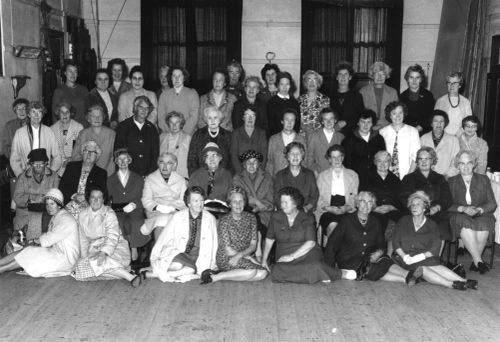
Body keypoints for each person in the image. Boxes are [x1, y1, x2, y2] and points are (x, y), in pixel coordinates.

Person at [325, 191, 422, 285]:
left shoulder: (375, 222)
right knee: (372, 268)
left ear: (373, 206)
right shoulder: (346, 221)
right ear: (357, 204)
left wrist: (378, 253)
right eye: (363, 201)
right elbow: (332, 244)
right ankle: (405, 279)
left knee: (385, 261)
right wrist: (329, 270)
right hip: (349, 261)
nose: (366, 205)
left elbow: (381, 244)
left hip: (368, 258)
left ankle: (409, 275)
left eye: (369, 202)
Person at [392, 191, 477, 290]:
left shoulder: (432, 224)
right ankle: (451, 284)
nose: (414, 207)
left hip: (424, 256)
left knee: (435, 265)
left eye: (418, 205)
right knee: (423, 268)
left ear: (425, 208)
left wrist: (421, 256)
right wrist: (405, 257)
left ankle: (464, 281)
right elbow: (396, 242)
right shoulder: (404, 220)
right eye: (412, 205)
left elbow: (436, 247)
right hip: (406, 258)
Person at [261, 187, 341, 284]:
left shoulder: (307, 217)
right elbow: (269, 239)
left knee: (314, 266)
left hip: (306, 253)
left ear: (295, 203)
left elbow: (311, 243)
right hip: (284, 255)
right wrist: (264, 260)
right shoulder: (276, 217)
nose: (283, 205)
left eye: (286, 202)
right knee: (277, 271)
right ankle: (317, 274)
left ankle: (339, 273)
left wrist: (292, 256)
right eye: (282, 202)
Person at [143, 186, 218, 283]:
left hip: (198, 256)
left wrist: (213, 264)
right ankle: (164, 273)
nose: (200, 204)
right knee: (176, 266)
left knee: (190, 269)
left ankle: (154, 274)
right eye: (196, 201)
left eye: (201, 200)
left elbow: (214, 243)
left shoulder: (210, 219)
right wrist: (155, 256)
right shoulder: (178, 217)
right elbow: (164, 237)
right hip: (180, 252)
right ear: (189, 203)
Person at [0, 188, 79, 277]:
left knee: (29, 253)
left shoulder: (66, 219)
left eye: (52, 204)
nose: (49, 207)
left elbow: (51, 238)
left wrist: (35, 241)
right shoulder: (57, 216)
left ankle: (1, 269)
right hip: (56, 253)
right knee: (27, 250)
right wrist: (34, 242)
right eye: (47, 204)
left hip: (66, 260)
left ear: (59, 205)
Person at [72, 187, 140, 287]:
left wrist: (103, 253)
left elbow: (113, 236)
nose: (95, 200)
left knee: (98, 262)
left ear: (103, 199)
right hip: (94, 248)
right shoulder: (82, 215)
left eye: (99, 197)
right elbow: (83, 239)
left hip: (115, 247)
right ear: (89, 199)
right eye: (93, 197)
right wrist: (84, 257)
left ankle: (130, 277)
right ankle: (123, 272)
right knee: (80, 270)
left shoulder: (109, 213)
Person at [200, 187, 268, 284]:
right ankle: (217, 277)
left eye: (241, 201)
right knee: (252, 271)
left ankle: (230, 274)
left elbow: (253, 245)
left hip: (242, 255)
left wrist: (242, 255)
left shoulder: (251, 218)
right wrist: (247, 257)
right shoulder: (224, 221)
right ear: (229, 204)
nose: (238, 204)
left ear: (244, 202)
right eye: (234, 201)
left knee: (263, 273)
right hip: (227, 257)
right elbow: (228, 250)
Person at [448, 150, 497, 274]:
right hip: (460, 214)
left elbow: (492, 203)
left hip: (481, 214)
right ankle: (478, 262)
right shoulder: (451, 181)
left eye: (469, 163)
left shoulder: (483, 179)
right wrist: (463, 209)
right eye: (462, 163)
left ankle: (476, 261)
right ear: (457, 165)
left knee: (484, 224)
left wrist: (480, 209)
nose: (466, 166)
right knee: (464, 222)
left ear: (474, 164)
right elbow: (447, 204)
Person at [400, 147, 453, 243]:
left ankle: (435, 257)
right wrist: (417, 209)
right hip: (414, 212)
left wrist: (437, 207)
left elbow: (447, 198)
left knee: (441, 226)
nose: (423, 162)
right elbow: (403, 198)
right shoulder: (408, 178)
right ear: (417, 161)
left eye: (427, 159)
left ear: (432, 161)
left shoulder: (440, 178)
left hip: (435, 212)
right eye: (420, 159)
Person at [107, 149, 149, 262]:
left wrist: (135, 205)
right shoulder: (110, 180)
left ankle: (134, 248)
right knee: (118, 223)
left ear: (129, 161)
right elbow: (108, 200)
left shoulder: (138, 178)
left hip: (135, 209)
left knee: (135, 222)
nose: (123, 162)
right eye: (119, 159)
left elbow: (144, 197)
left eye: (125, 159)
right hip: (119, 210)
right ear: (116, 162)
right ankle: (121, 251)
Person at [359, 151, 403, 253]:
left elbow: (401, 199)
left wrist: (392, 207)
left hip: (392, 211)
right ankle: (376, 255)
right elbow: (362, 196)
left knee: (403, 220)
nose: (383, 164)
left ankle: (390, 256)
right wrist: (373, 207)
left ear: (390, 163)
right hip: (372, 210)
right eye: (380, 161)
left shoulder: (396, 180)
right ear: (375, 162)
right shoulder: (367, 177)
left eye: (386, 161)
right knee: (378, 222)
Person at [233, 150, 274, 255]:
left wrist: (258, 207)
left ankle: (257, 250)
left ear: (259, 164)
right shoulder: (237, 178)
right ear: (244, 165)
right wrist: (256, 201)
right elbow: (239, 197)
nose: (251, 165)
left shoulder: (267, 177)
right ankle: (257, 250)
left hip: (264, 213)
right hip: (244, 211)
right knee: (251, 217)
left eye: (254, 162)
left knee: (257, 218)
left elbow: (271, 200)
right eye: (248, 162)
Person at [12, 149, 59, 240]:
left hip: (46, 210)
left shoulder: (53, 176)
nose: (38, 166)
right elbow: (17, 198)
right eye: (34, 163)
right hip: (25, 211)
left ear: (46, 163)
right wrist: (31, 198)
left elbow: (56, 197)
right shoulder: (23, 177)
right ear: (30, 164)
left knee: (43, 225)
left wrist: (46, 200)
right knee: (19, 234)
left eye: (41, 163)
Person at [141, 153, 187, 239]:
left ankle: (153, 223)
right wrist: (158, 207)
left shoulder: (181, 180)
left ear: (174, 165)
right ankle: (158, 252)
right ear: (158, 164)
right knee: (162, 227)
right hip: (156, 211)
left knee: (173, 224)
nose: (165, 166)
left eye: (169, 163)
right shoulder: (150, 178)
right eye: (162, 162)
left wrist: (173, 208)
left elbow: (183, 201)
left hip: (175, 210)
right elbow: (146, 200)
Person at [317, 144, 359, 239]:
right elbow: (319, 198)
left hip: (347, 209)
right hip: (328, 209)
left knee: (349, 227)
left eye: (339, 156)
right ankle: (332, 253)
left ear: (343, 158)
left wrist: (346, 208)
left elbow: (354, 197)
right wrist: (328, 208)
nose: (336, 160)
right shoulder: (322, 176)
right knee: (333, 225)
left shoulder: (353, 175)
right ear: (329, 159)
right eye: (333, 157)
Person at [10, 101, 61, 178]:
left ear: (42, 114)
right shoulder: (19, 133)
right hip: (26, 175)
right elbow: (14, 159)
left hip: (46, 175)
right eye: (33, 112)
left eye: (39, 112)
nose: (36, 115)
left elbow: (57, 156)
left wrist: (51, 172)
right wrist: (20, 175)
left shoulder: (49, 131)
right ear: (28, 114)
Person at [59, 140, 107, 218]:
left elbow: (104, 194)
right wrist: (74, 196)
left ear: (97, 156)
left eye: (93, 152)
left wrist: (87, 198)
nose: (89, 154)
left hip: (90, 207)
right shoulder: (71, 167)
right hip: (70, 204)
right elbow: (62, 187)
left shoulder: (101, 173)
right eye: (86, 151)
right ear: (82, 153)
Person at [114, 95, 160, 177]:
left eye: (147, 108)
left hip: (147, 175)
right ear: (135, 108)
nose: (144, 110)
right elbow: (118, 153)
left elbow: (155, 155)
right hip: (128, 174)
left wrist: (150, 174)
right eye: (141, 107)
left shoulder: (152, 129)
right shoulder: (123, 127)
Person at [188, 143, 232, 216]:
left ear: (220, 158)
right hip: (200, 211)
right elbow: (191, 197)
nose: (211, 159)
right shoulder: (196, 175)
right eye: (207, 156)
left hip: (222, 213)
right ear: (204, 160)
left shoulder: (227, 175)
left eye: (214, 155)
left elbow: (231, 197)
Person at [379, 101, 420, 180]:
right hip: (386, 176)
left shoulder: (413, 131)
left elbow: (416, 156)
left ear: (404, 114)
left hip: (408, 174)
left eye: (400, 113)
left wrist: (408, 176)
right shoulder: (382, 132)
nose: (397, 116)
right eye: (394, 113)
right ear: (389, 115)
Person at [273, 142, 318, 213]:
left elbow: (314, 197)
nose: (295, 156)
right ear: (287, 156)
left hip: (304, 213)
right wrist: (287, 210)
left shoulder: (309, 174)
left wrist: (306, 208)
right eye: (292, 154)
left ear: (302, 156)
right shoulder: (279, 175)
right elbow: (277, 198)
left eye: (298, 154)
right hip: (285, 213)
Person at [341, 109, 385, 181]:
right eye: (363, 122)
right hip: (355, 178)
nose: (366, 125)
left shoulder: (378, 139)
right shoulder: (349, 140)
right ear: (358, 123)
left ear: (372, 123)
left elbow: (383, 159)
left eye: (369, 122)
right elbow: (347, 163)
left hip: (375, 177)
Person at [187, 106, 232, 175]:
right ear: (206, 120)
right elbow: (192, 160)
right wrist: (195, 177)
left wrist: (227, 177)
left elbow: (231, 161)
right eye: (209, 118)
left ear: (220, 120)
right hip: (201, 176)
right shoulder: (198, 135)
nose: (212, 121)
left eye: (215, 118)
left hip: (223, 176)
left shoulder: (228, 136)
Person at [72, 105, 115, 175]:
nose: (97, 119)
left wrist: (106, 175)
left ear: (103, 118)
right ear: (88, 119)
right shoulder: (83, 134)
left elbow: (114, 158)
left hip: (106, 174)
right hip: (85, 173)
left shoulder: (111, 134)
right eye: (93, 116)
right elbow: (75, 156)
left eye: (99, 116)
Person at [157, 66, 200, 134]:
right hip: (168, 135)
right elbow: (161, 118)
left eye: (179, 76)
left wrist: (182, 133)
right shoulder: (164, 95)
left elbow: (194, 117)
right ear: (171, 78)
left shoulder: (192, 93)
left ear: (184, 78)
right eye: (174, 76)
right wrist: (171, 132)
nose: (176, 79)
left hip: (188, 135)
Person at [266, 108, 306, 176]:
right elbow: (270, 162)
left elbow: (305, 162)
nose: (289, 123)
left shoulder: (301, 140)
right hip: (277, 179)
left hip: (296, 179)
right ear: (282, 121)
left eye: (292, 120)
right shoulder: (273, 139)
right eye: (287, 119)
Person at [305, 107, 344, 176]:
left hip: (337, 175)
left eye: (331, 119)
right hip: (319, 175)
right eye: (325, 119)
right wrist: (314, 172)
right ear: (322, 121)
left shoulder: (341, 137)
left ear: (335, 120)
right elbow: (309, 158)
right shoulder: (313, 136)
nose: (329, 122)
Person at [420, 110, 460, 178]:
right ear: (431, 123)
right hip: (425, 178)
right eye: (435, 121)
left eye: (441, 121)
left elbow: (456, 162)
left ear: (445, 124)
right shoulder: (423, 138)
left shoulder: (453, 140)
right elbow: (419, 160)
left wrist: (446, 176)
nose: (439, 124)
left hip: (445, 179)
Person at [359, 61, 398, 129]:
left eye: (382, 74)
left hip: (387, 127)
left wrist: (382, 126)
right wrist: (371, 126)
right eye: (376, 74)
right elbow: (359, 114)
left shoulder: (393, 92)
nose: (379, 76)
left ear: (386, 76)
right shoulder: (363, 91)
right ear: (372, 75)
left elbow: (395, 115)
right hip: (367, 127)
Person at [230, 104, 268, 174]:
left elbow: (264, 155)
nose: (250, 118)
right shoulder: (236, 133)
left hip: (258, 172)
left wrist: (259, 172)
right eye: (247, 115)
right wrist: (241, 173)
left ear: (256, 117)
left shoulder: (262, 133)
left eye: (253, 115)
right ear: (243, 117)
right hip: (240, 173)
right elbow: (233, 155)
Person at [399, 64, 435, 134]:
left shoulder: (428, 95)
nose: (414, 80)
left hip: (425, 131)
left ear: (421, 79)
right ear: (407, 79)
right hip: (407, 132)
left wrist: (419, 128)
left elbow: (430, 115)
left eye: (417, 77)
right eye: (411, 77)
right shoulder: (402, 96)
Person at [330, 62, 364, 135]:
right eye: (340, 74)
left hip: (352, 134)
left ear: (350, 77)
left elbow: (360, 116)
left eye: (345, 74)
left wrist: (346, 122)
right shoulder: (330, 96)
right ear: (336, 77)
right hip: (333, 133)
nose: (343, 77)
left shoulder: (357, 96)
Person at [434, 71, 473, 136]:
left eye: (454, 83)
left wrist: (457, 136)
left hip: (460, 137)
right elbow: (435, 122)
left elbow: (468, 123)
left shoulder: (466, 102)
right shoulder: (440, 101)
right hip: (442, 137)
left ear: (460, 85)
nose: (451, 85)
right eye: (449, 83)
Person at [51, 102, 84, 176]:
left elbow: (81, 150)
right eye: (62, 112)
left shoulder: (79, 127)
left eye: (67, 112)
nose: (64, 115)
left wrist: (71, 159)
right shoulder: (52, 129)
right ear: (58, 113)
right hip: (57, 169)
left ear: (71, 113)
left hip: (74, 166)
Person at [51, 61, 89, 126]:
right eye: (70, 71)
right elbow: (55, 114)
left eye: (75, 71)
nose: (73, 74)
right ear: (65, 73)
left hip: (83, 127)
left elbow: (88, 111)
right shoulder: (59, 91)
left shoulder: (84, 90)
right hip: (67, 128)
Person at [159, 111, 191, 179]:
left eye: (177, 122)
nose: (174, 125)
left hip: (181, 176)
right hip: (163, 176)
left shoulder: (188, 138)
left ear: (181, 123)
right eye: (171, 122)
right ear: (168, 123)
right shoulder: (161, 137)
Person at [266, 72, 300, 137]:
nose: (285, 87)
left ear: (290, 85)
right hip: (276, 138)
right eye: (282, 84)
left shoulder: (295, 102)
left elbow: (297, 123)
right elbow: (270, 125)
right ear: (278, 85)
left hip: (292, 138)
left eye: (287, 84)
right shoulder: (271, 102)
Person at [298, 70, 330, 138]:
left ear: (318, 83)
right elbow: (296, 118)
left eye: (314, 79)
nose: (312, 82)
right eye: (309, 79)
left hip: (318, 136)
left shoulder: (325, 100)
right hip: (301, 136)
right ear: (305, 83)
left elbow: (326, 119)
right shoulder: (299, 99)